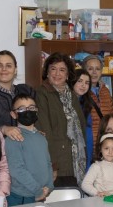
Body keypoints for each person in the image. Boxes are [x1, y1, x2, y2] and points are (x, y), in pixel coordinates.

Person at [36, 52, 87, 186]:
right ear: (47, 72)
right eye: (53, 69)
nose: (57, 74)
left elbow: (81, 128)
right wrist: (53, 165)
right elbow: (45, 132)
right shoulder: (41, 94)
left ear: (67, 74)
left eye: (62, 70)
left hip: (74, 162)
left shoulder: (71, 95)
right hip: (57, 165)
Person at [83, 54, 113, 146]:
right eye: (90, 69)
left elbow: (112, 115)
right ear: (84, 71)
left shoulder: (105, 90)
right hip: (88, 142)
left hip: (106, 142)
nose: (94, 72)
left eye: (97, 69)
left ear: (101, 71)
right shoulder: (80, 92)